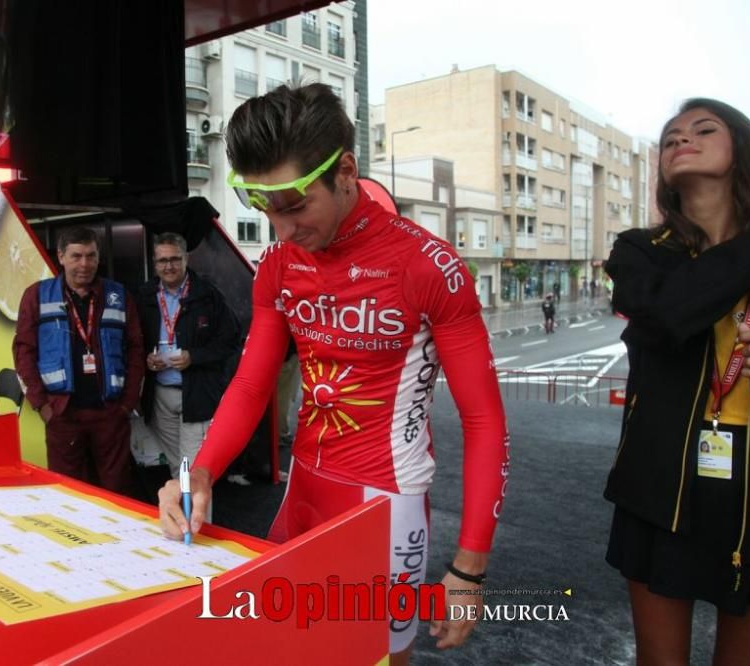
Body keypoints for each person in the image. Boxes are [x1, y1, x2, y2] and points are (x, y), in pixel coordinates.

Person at [157, 84, 509, 663]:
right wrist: (198, 473)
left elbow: (484, 420)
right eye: (262, 206)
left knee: (373, 657)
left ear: (345, 170)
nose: (282, 228)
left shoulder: (429, 265)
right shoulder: (279, 265)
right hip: (304, 488)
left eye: (295, 205)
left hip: (386, 504)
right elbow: (250, 384)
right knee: (278, 649)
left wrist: (469, 566)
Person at [604, 98, 750, 663]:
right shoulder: (640, 252)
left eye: (703, 129)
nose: (681, 139)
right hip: (660, 484)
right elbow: (672, 312)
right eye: (671, 136)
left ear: (743, 149)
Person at [13, 227, 144, 495]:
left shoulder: (118, 296)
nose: (84, 264)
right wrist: (43, 407)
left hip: (110, 414)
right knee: (69, 493)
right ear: (61, 257)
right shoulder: (37, 296)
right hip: (63, 414)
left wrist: (127, 405)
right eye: (76, 256)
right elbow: (24, 353)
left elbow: (136, 350)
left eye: (91, 256)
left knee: (117, 491)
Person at [137, 232, 239, 478]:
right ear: (154, 262)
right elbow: (133, 340)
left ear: (186, 259)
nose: (169, 266)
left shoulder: (207, 294)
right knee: (177, 468)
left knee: (194, 471)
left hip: (197, 394)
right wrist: (145, 358)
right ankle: (185, 514)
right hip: (160, 396)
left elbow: (230, 340)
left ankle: (195, 516)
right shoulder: (144, 295)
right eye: (162, 261)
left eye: (175, 259)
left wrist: (194, 356)